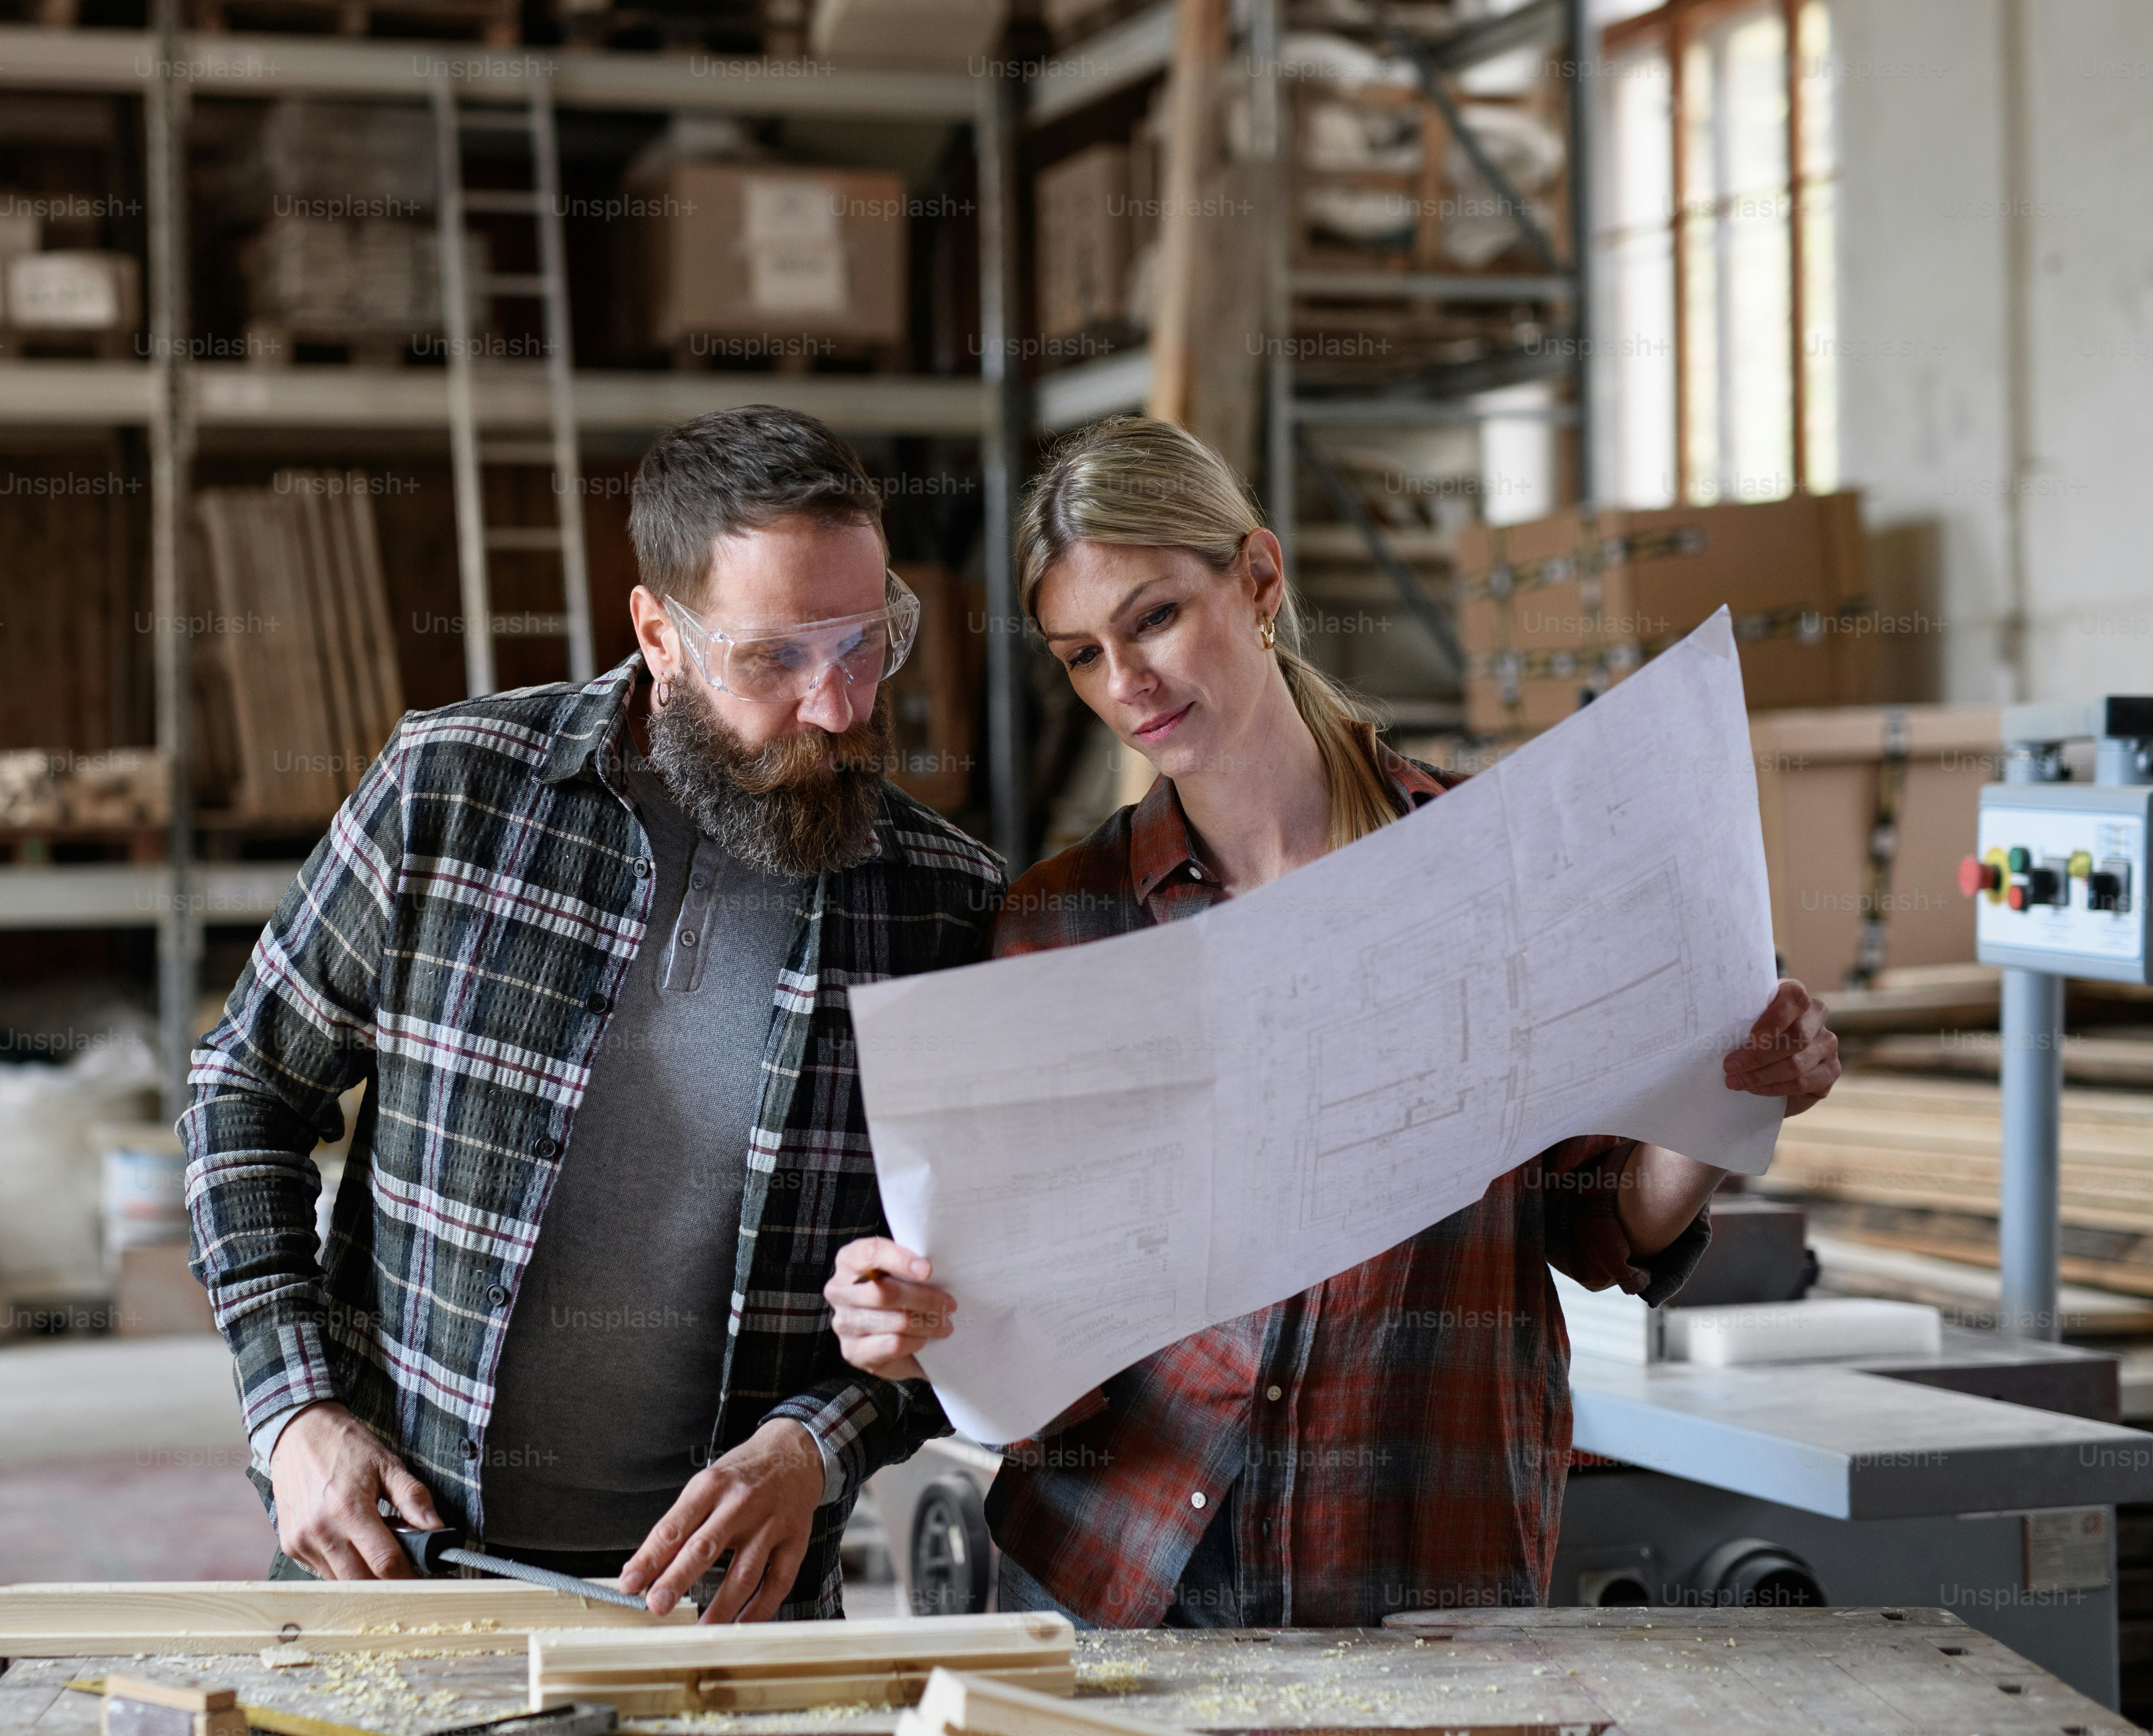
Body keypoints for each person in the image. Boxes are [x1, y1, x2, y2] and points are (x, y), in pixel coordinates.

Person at [825, 415, 1842, 1629]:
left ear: (1258, 579)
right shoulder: (1061, 922)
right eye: (1080, 655)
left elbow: (1596, 1214)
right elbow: (1006, 1293)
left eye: (1151, 618)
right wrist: (907, 1320)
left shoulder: (1487, 868)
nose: (1126, 682)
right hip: (1123, 1569)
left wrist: (1723, 1098)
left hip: (1414, 1550)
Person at [183, 404, 1001, 1624]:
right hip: (402, 1568)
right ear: (658, 634)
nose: (839, 708)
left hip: (731, 1614)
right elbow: (241, 1093)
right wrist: (292, 1409)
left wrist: (816, 1444)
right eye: (774, 658)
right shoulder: (448, 795)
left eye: (866, 641)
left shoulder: (942, 907)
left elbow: (971, 1290)